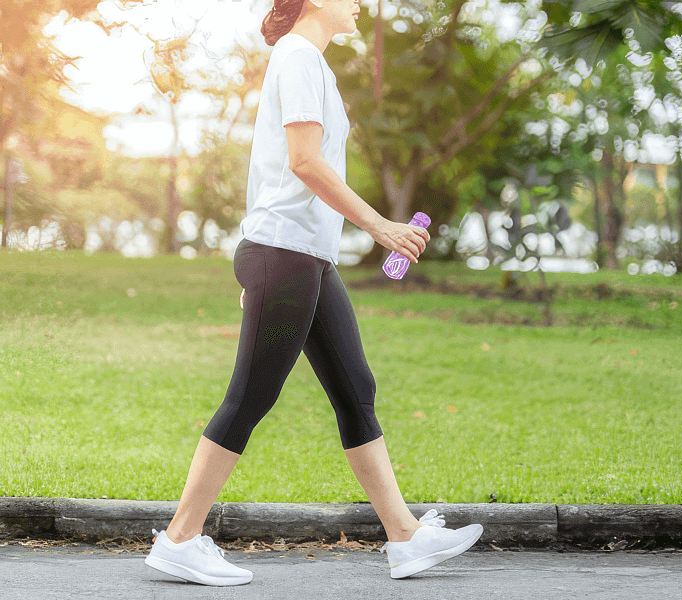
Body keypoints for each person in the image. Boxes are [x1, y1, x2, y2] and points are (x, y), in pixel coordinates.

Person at [144, 0, 483, 586]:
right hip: (285, 254)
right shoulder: (298, 57)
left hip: (304, 259)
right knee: (250, 396)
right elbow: (304, 162)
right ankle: (180, 539)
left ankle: (404, 537)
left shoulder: (311, 63)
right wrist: (380, 227)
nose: (358, 4)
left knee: (356, 389)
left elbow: (294, 163)